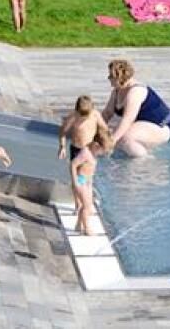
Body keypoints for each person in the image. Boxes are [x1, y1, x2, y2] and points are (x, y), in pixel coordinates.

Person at [102, 59, 170, 157]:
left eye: (111, 76)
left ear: (119, 77)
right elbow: (107, 113)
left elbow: (127, 120)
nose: (108, 78)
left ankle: (144, 161)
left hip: (163, 125)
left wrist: (111, 142)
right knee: (111, 133)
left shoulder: (135, 92)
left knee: (124, 137)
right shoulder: (116, 91)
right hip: (144, 124)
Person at [59, 95, 112, 235]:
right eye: (81, 116)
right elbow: (63, 132)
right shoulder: (73, 116)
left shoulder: (95, 115)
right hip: (78, 149)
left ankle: (83, 208)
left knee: (88, 176)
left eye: (86, 116)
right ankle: (79, 204)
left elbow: (104, 128)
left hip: (91, 149)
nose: (83, 118)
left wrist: (106, 140)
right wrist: (62, 146)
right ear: (77, 111)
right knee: (79, 180)